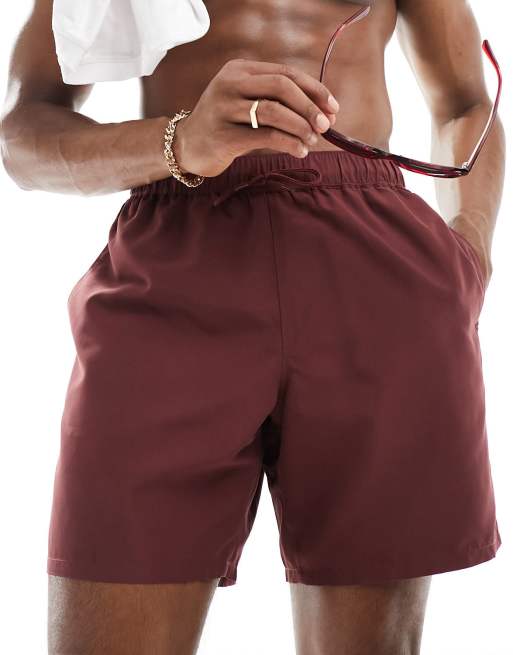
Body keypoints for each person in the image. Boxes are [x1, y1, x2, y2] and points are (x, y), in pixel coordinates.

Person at [0, 1, 505, 653]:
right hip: (174, 266)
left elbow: (465, 101)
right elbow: (22, 132)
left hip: (373, 270)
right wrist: (179, 141)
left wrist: (471, 250)